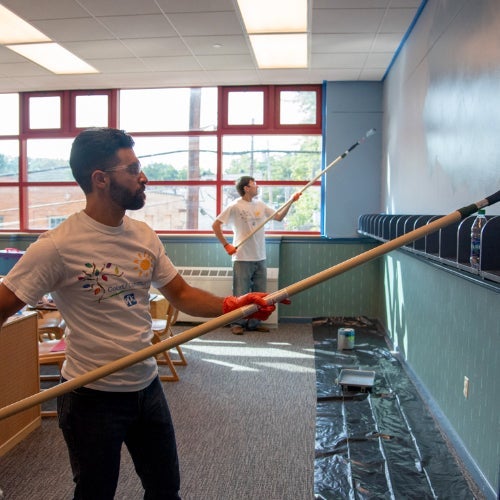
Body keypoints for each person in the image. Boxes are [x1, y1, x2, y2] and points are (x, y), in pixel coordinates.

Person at [0, 128, 277, 500]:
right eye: (133, 169)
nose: (144, 177)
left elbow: (181, 294)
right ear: (101, 179)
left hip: (146, 387)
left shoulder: (144, 235)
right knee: (95, 493)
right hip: (91, 397)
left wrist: (236, 304)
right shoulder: (58, 246)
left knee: (165, 490)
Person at [212, 176, 300, 335]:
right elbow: (216, 225)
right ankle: (237, 324)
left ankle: (254, 323)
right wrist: (226, 245)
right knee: (240, 294)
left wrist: (291, 201)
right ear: (246, 188)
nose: (257, 187)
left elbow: (279, 217)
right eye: (254, 184)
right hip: (242, 257)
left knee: (260, 294)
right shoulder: (235, 206)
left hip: (260, 256)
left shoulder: (260, 204)